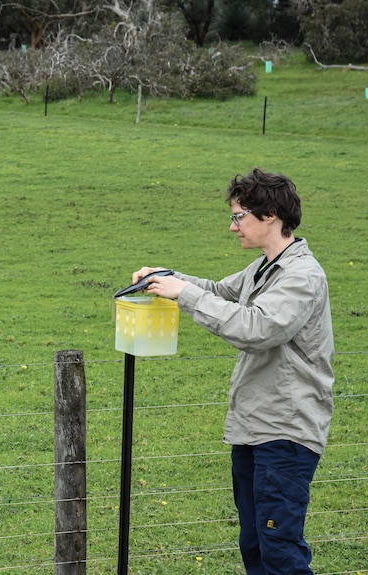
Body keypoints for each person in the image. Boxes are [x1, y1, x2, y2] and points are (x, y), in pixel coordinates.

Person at [132, 167, 334, 575]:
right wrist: (166, 278)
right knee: (257, 547)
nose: (232, 227)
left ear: (271, 214)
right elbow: (220, 293)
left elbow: (258, 329)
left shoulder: (301, 276)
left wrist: (182, 294)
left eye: (239, 216)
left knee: (280, 552)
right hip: (254, 429)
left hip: (286, 432)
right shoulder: (263, 268)